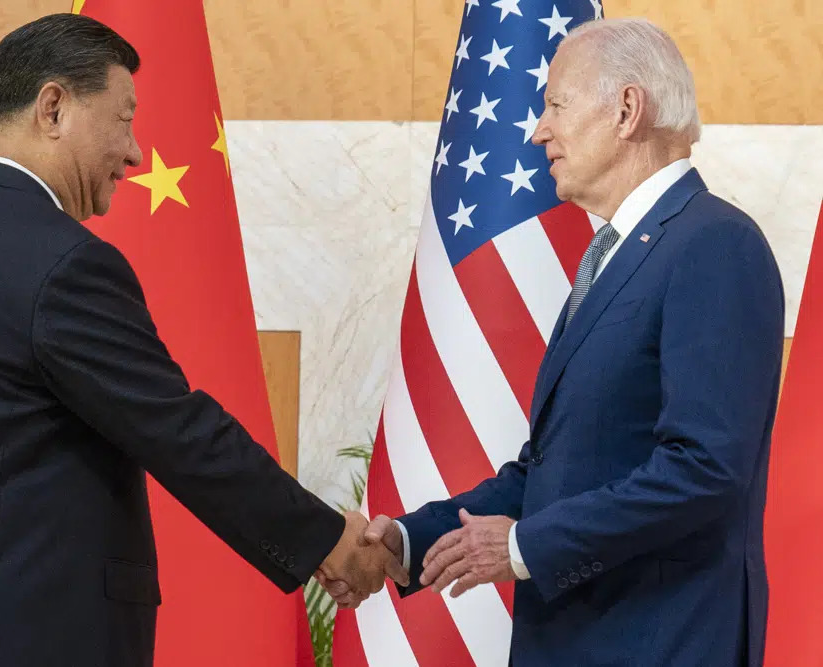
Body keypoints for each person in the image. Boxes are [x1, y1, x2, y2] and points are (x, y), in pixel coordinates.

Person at [0, 14, 405, 667]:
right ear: (53, 108)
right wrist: (324, 539)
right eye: (123, 119)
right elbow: (178, 429)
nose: (136, 153)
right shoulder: (62, 263)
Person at [323, 18, 783, 667]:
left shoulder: (714, 244)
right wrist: (405, 539)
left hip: (658, 644)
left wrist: (522, 548)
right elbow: (549, 473)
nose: (538, 130)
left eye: (556, 105)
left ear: (626, 110)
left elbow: (703, 469)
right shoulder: (617, 255)